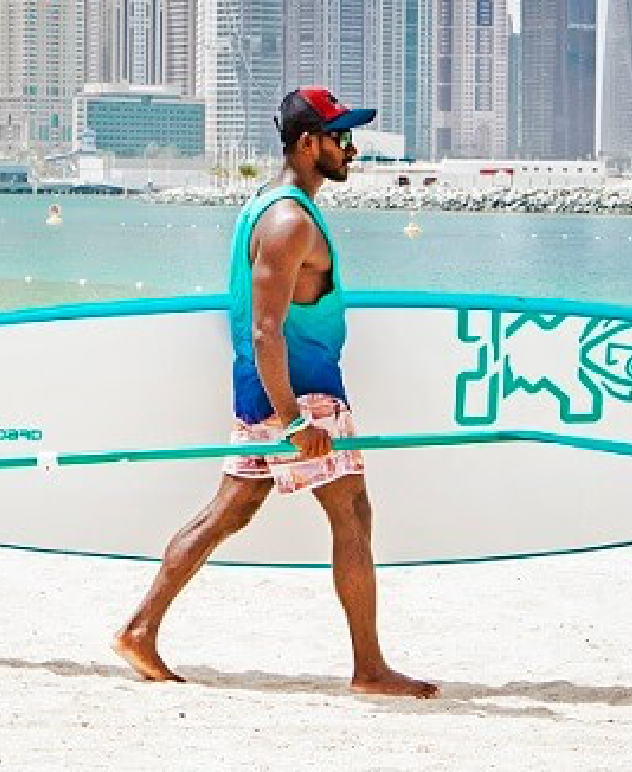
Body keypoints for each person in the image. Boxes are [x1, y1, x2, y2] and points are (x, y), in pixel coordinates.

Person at [115, 86, 436, 699]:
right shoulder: (289, 220)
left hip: (266, 392)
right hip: (303, 396)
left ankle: (139, 628)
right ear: (307, 143)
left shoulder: (268, 206)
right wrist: (293, 421)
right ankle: (369, 669)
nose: (351, 149)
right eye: (340, 137)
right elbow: (266, 328)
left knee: (230, 510)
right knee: (352, 512)